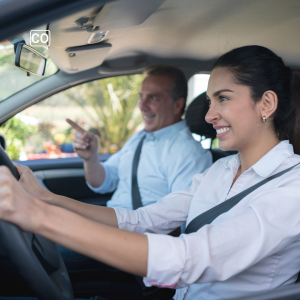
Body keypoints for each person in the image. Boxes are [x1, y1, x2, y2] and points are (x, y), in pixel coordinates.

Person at [1, 45, 300, 300]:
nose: (208, 115)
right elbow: (144, 219)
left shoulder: (291, 190)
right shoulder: (222, 169)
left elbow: (187, 258)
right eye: (210, 101)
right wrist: (45, 199)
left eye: (223, 98)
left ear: (267, 104)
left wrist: (39, 216)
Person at [61, 65, 212, 299]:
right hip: (109, 229)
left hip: (134, 252)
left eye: (153, 98)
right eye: (141, 97)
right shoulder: (140, 138)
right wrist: (90, 158)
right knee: (44, 243)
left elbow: (180, 226)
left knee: (46, 256)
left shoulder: (188, 154)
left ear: (177, 104)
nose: (142, 106)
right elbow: (104, 182)